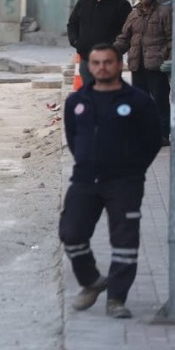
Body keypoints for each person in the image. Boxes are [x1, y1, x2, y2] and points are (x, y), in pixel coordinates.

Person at [59, 43, 162, 319]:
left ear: (119, 65)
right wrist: (86, 161)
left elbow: (152, 140)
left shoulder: (138, 101)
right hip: (84, 181)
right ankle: (92, 281)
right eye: (96, 63)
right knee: (71, 234)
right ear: (89, 66)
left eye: (107, 62)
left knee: (124, 243)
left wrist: (133, 169)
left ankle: (116, 299)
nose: (101, 67)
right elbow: (73, 137)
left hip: (124, 183)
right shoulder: (76, 101)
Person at [114, 0, 172, 145]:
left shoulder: (164, 12)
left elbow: (172, 38)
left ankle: (163, 135)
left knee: (160, 101)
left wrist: (169, 59)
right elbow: (124, 38)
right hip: (136, 65)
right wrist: (111, 51)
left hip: (157, 66)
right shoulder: (133, 13)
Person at [66, 0, 132, 89]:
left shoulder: (121, 4)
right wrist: (76, 42)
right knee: (89, 93)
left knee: (110, 92)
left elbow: (129, 31)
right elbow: (72, 24)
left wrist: (117, 49)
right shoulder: (82, 3)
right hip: (86, 58)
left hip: (111, 59)